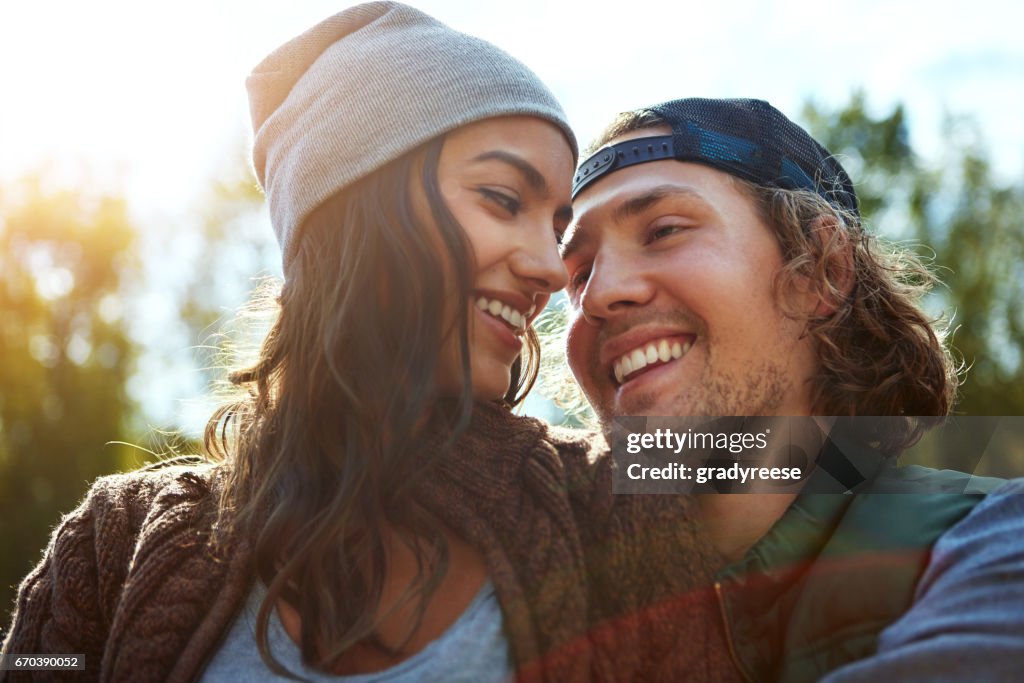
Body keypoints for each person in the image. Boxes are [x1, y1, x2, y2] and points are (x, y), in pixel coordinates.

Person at [1, 5, 741, 683]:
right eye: (502, 199)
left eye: (553, 228)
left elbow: (843, 460)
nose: (551, 270)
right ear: (355, 208)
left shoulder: (614, 493)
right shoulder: (114, 540)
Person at [560, 97, 1014, 682]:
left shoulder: (994, 540)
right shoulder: (543, 607)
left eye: (664, 230)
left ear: (820, 270)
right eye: (578, 275)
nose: (599, 294)